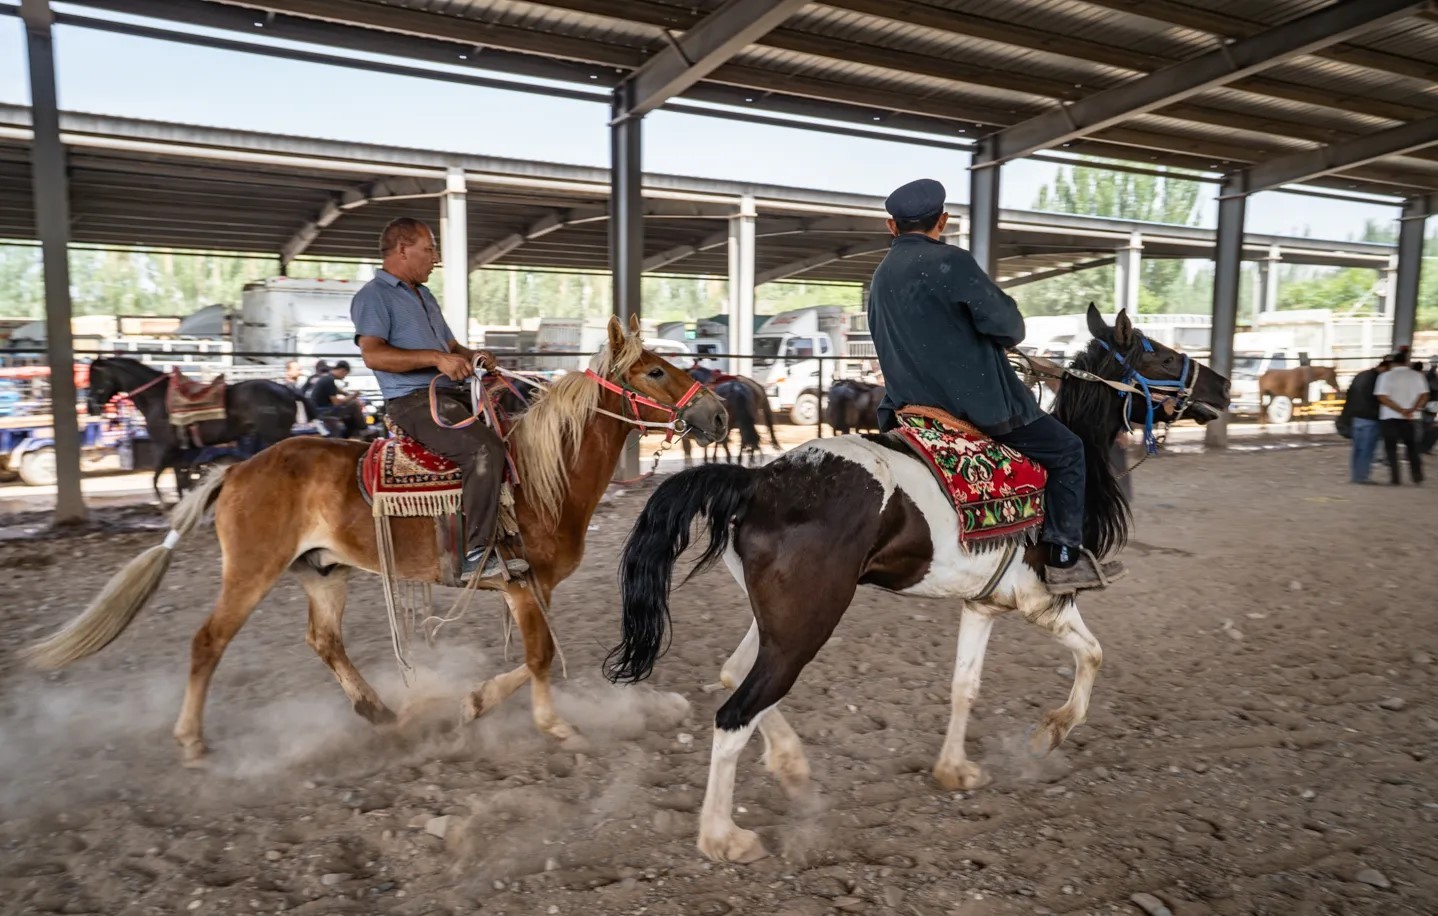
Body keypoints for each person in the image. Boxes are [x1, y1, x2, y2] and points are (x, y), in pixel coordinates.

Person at [867, 178, 1120, 594]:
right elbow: (1010, 328)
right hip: (972, 407)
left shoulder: (879, 277)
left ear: (891, 227)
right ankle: (1063, 559)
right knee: (1068, 451)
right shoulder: (951, 262)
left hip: (906, 408)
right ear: (943, 221)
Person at [351, 217, 526, 582]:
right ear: (402, 250)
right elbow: (374, 356)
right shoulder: (374, 296)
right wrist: (435, 360)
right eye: (429, 249)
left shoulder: (424, 295)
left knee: (518, 435)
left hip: (449, 393)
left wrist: (473, 355)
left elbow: (449, 348)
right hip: (412, 402)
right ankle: (475, 552)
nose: (435, 258)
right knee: (483, 451)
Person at [1374, 352, 1427, 486]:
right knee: (1412, 448)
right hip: (1411, 418)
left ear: (1392, 363)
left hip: (1389, 418)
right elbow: (1424, 396)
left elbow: (1382, 397)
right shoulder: (1417, 376)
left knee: (1391, 449)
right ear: (1406, 362)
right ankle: (1417, 476)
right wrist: (1411, 410)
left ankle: (1395, 478)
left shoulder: (1385, 376)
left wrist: (1400, 410)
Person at [1340, 356, 1388, 484]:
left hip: (1356, 418)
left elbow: (1349, 396)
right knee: (1367, 450)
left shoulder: (1361, 375)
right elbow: (1377, 399)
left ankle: (1356, 475)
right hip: (1370, 418)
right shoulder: (1378, 379)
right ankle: (1362, 476)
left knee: (1357, 449)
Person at [307, 360, 366, 438]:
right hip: (324, 412)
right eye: (345, 374)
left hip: (320, 410)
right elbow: (336, 402)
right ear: (343, 371)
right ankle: (363, 428)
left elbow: (338, 391)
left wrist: (350, 395)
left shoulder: (327, 378)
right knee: (353, 404)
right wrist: (353, 396)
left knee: (350, 408)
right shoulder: (329, 380)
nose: (344, 377)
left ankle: (351, 432)